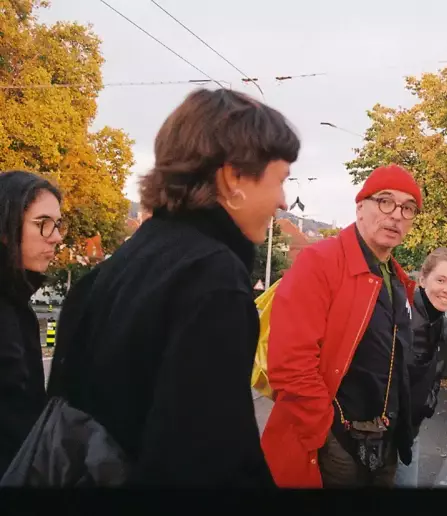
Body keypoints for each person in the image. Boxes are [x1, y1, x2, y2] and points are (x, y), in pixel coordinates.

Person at [47, 88, 300, 487]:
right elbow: (206, 464)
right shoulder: (212, 280)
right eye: (281, 179)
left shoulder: (110, 272)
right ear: (233, 176)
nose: (284, 201)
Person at [261, 165, 422, 488]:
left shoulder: (398, 279)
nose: (396, 215)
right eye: (385, 202)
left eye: (408, 208)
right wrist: (325, 432)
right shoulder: (320, 262)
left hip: (384, 445)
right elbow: (290, 362)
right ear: (360, 206)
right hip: (333, 446)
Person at [0, 171, 63, 478]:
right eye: (43, 224)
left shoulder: (18, 302)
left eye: (57, 224)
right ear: (6, 229)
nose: (56, 236)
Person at [396, 247, 447, 487]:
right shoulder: (400, 320)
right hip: (380, 438)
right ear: (422, 279)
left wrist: (428, 403)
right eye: (441, 280)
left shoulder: (444, 327)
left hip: (410, 433)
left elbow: (433, 376)